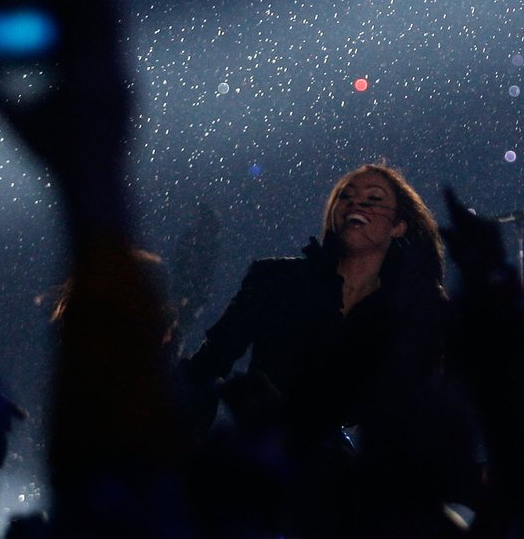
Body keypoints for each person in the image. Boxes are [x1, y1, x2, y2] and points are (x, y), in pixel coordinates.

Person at [183, 163, 448, 436]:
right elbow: (208, 364)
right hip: (261, 449)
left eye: (374, 198)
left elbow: (424, 407)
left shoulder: (407, 310)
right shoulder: (275, 279)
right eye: (346, 196)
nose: (356, 203)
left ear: (398, 226)